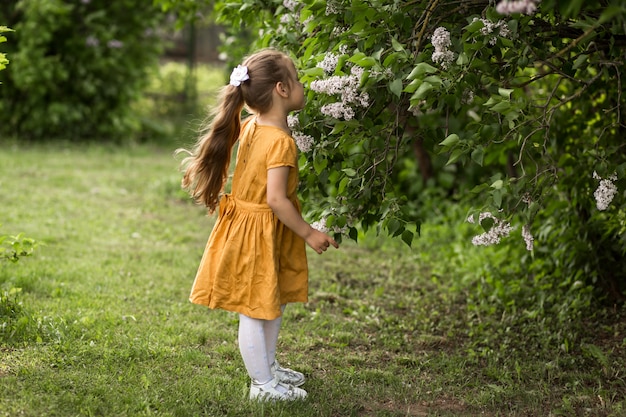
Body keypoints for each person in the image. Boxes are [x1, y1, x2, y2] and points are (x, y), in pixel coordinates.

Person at [179, 49, 339, 401]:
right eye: (296, 80)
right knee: (255, 308)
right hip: (258, 230)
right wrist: (309, 232)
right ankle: (262, 386)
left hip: (259, 229)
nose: (302, 85)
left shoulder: (253, 125)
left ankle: (268, 368)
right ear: (282, 89)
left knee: (271, 299)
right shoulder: (279, 141)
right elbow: (277, 200)